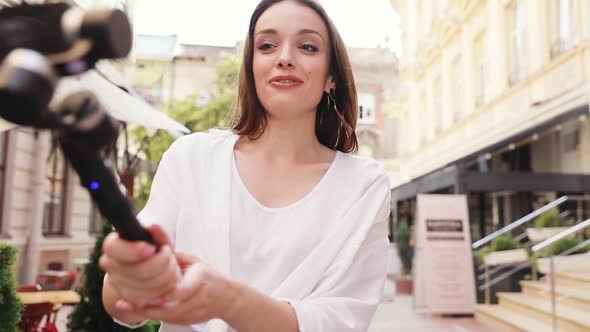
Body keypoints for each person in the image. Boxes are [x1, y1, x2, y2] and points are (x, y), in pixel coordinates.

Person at [100, 0, 391, 331]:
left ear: (332, 78)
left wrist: (227, 300)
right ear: (252, 68)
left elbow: (340, 322)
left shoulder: (363, 185)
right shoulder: (191, 159)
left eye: (307, 46)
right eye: (267, 46)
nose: (284, 58)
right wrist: (130, 278)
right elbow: (122, 307)